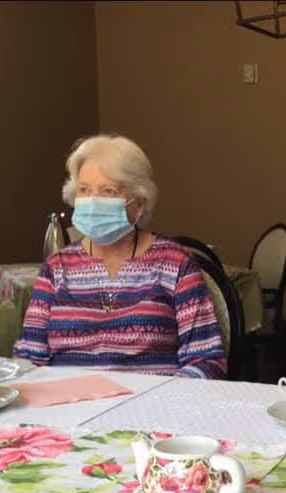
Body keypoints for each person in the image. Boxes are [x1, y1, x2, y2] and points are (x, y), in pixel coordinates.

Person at [13, 134, 227, 378]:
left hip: (151, 409)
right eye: (84, 190)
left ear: (139, 204)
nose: (93, 202)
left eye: (109, 191)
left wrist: (162, 403)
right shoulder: (56, 267)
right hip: (70, 408)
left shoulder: (175, 263)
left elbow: (206, 360)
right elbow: (29, 359)